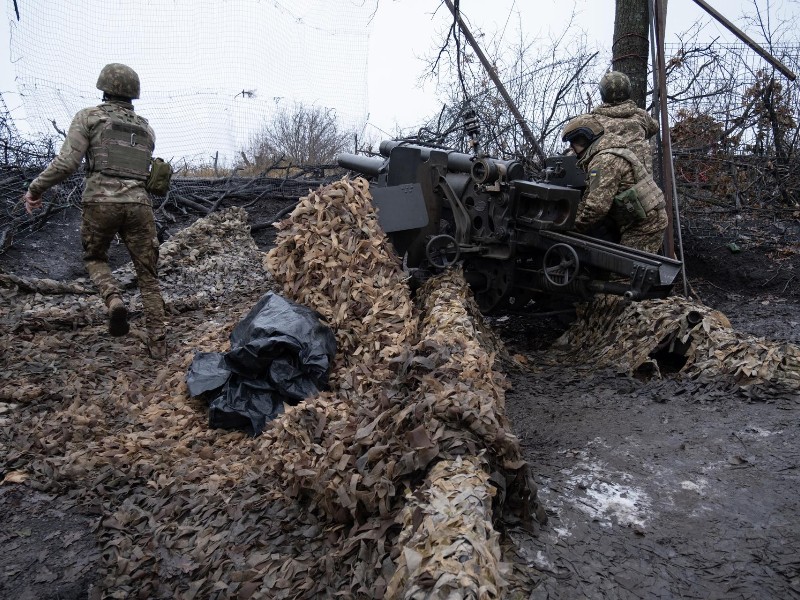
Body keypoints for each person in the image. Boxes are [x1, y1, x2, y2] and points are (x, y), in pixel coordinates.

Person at [24, 63, 167, 358]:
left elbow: (67, 164)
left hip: (100, 202)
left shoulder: (89, 117)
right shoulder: (146, 129)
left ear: (103, 87)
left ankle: (114, 300)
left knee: (95, 257)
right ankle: (158, 344)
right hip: (140, 205)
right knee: (148, 275)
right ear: (133, 93)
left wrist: (35, 189)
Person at [561, 113, 668, 254]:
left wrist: (569, 227)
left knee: (625, 273)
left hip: (645, 226)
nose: (572, 149)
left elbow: (596, 208)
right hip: (641, 220)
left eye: (573, 143)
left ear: (584, 139)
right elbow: (589, 198)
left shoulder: (603, 161)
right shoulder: (607, 154)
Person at [591, 70, 659, 175]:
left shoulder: (592, 120)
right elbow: (654, 127)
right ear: (628, 91)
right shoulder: (641, 115)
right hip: (642, 184)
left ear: (602, 94)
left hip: (606, 181)